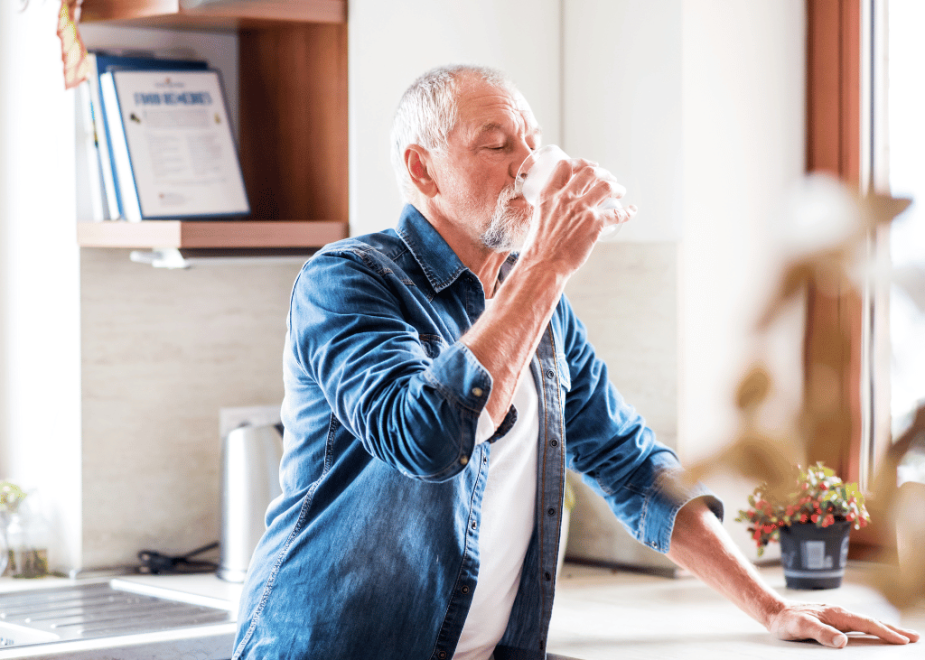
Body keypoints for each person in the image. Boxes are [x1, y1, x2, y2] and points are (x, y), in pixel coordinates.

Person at [232, 64, 919, 660]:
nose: (525, 165)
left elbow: (629, 464)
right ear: (420, 169)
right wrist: (548, 262)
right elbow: (427, 438)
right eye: (496, 144)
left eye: (530, 144)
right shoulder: (349, 280)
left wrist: (769, 606)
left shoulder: (541, 307)